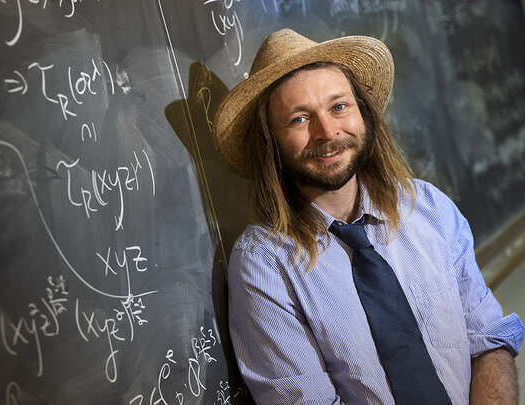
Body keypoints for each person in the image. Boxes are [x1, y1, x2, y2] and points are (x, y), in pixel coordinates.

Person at [212, 29, 524, 404]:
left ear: (363, 113)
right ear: (270, 143)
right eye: (298, 119)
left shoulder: (429, 208)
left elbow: (488, 339)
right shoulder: (264, 266)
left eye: (339, 106)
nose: (327, 131)